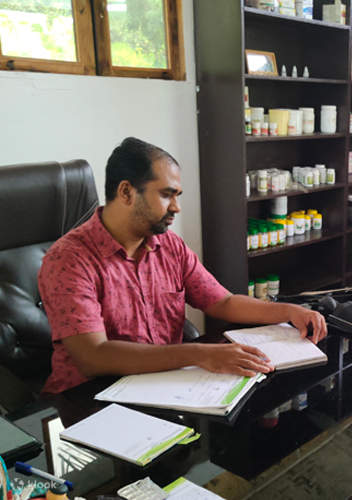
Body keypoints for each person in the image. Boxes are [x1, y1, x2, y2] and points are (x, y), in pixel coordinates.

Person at [38, 137, 327, 394]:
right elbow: (94, 357)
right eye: (166, 195)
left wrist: (289, 311)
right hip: (91, 399)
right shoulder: (70, 259)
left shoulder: (169, 246)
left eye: (177, 196)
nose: (176, 207)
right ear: (126, 192)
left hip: (164, 384)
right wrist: (199, 354)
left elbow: (222, 302)